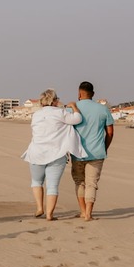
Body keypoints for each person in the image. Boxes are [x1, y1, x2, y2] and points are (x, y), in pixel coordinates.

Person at [22, 89, 86, 220]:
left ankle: (40, 208)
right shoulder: (60, 113)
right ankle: (49, 214)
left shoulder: (36, 115)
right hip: (57, 154)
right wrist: (73, 106)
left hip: (36, 153)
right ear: (55, 101)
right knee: (52, 186)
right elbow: (77, 119)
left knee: (36, 181)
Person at [71, 81, 115, 221]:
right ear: (93, 94)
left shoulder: (72, 108)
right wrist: (104, 147)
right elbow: (110, 132)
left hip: (77, 152)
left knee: (80, 182)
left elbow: (65, 131)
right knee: (92, 184)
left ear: (79, 93)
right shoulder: (103, 109)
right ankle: (89, 213)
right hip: (97, 152)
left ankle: (83, 211)